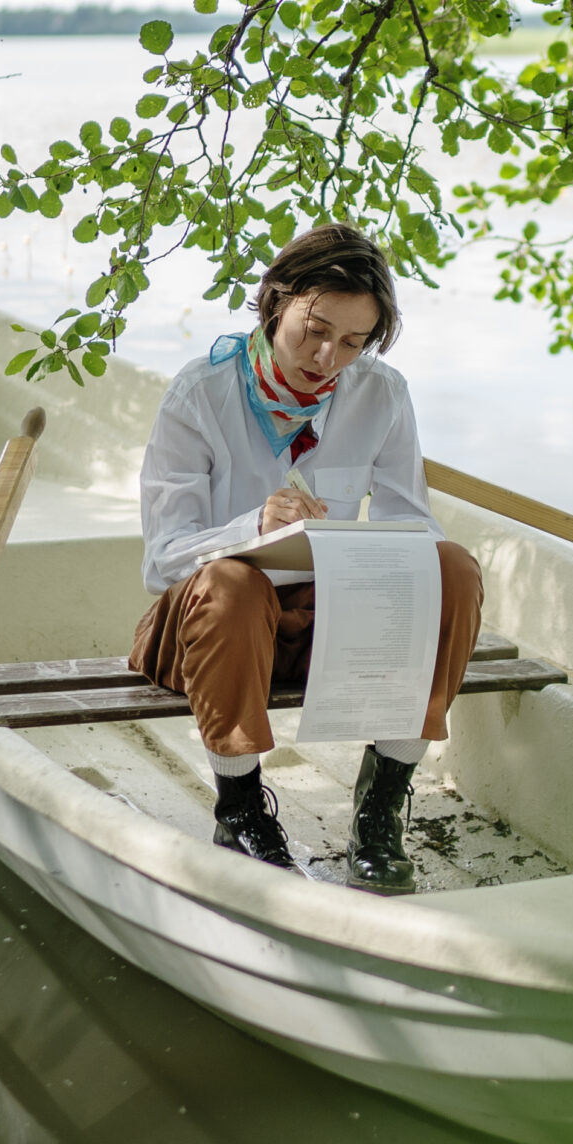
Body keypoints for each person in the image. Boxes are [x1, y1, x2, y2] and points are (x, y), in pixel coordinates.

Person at [130, 223, 484, 893]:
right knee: (233, 585)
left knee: (451, 569)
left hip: (331, 632)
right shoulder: (199, 394)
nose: (328, 357)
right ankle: (240, 809)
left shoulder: (382, 393)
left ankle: (379, 809)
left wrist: (365, 555)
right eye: (315, 330)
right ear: (275, 302)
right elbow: (164, 561)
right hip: (211, 634)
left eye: (353, 342)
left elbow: (411, 524)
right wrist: (253, 526)